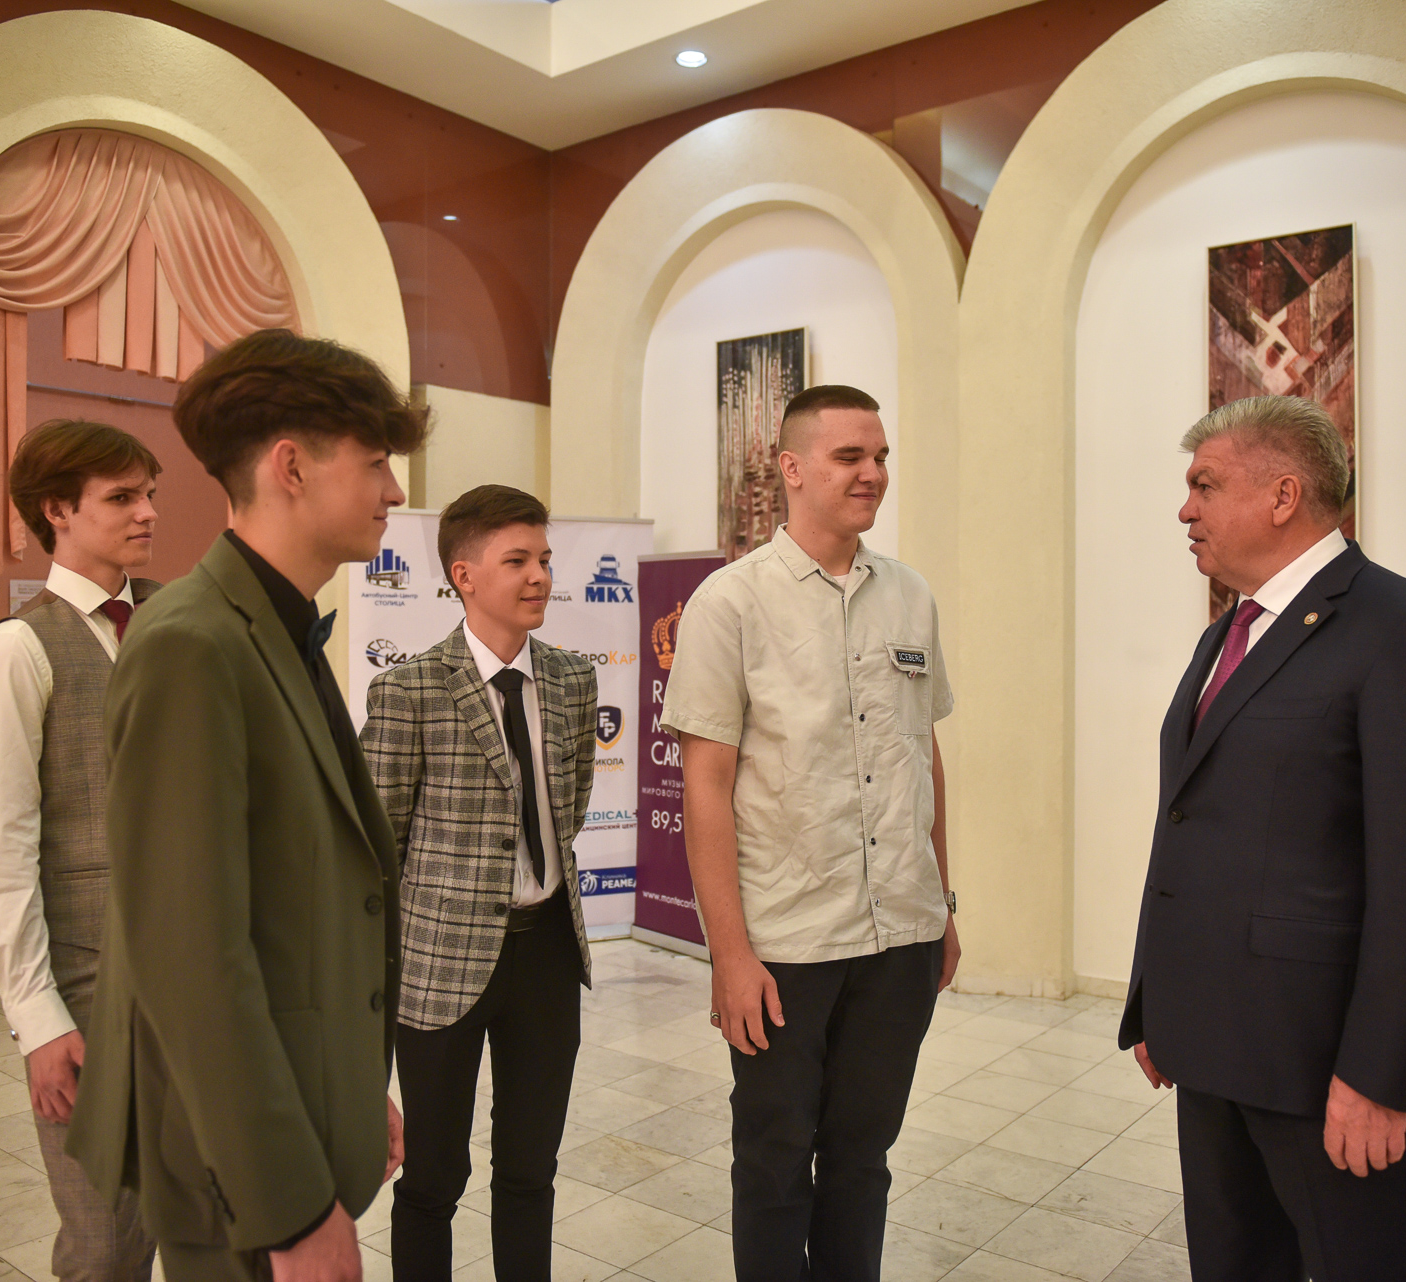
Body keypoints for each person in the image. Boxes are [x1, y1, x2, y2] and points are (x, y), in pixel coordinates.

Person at [66, 329, 429, 1282]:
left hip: (298, 1118)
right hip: (237, 1181)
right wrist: (291, 1209)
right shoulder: (192, 645)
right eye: (376, 462)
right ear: (291, 467)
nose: (395, 491)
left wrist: (352, 1091)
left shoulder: (272, 628)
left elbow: (293, 914)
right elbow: (191, 960)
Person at [1118, 394, 1406, 1281]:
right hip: (1213, 1049)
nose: (1185, 510)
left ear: (1284, 495)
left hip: (1326, 1070)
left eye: (1205, 486)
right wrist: (1158, 1005)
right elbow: (1192, 827)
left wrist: (1379, 1075)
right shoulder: (1231, 631)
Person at [660, 384, 958, 1282]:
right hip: (786, 943)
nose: (872, 474)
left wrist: (942, 904)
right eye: (849, 457)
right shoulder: (729, 604)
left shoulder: (910, 596)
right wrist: (729, 953)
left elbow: (925, 757)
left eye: (880, 456)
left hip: (900, 935)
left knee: (863, 1160)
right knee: (775, 1160)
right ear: (791, 469)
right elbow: (707, 787)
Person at [0, 418, 162, 1282]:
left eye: (149, 494)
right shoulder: (19, 648)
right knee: (106, 1244)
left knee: (199, 1222)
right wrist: (37, 1021)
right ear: (57, 510)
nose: (147, 512)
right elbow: (3, 851)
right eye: (122, 497)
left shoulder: (173, 621)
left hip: (191, 972)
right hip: (85, 979)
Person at [359, 484, 597, 1282]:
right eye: (517, 560)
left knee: (530, 1169)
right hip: (439, 965)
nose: (539, 576)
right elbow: (378, 848)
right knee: (433, 1176)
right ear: (464, 575)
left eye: (545, 560)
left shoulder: (572, 680)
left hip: (548, 953)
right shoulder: (410, 690)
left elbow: (570, 805)